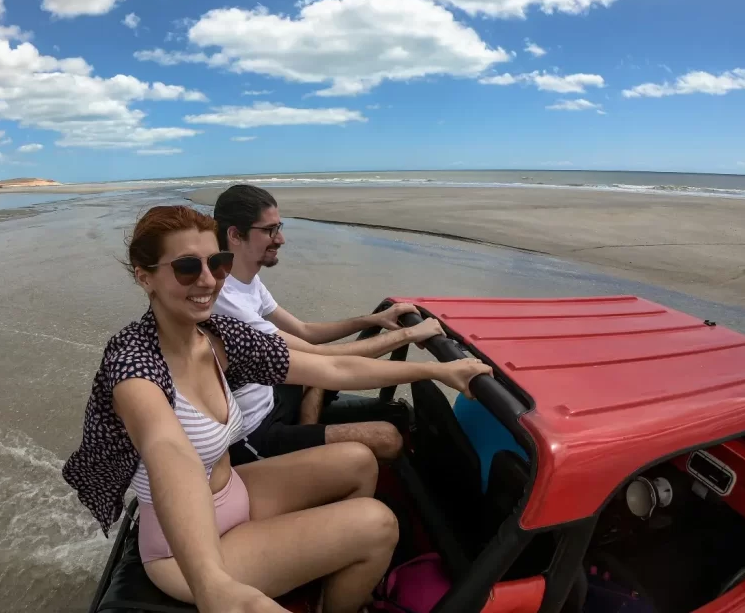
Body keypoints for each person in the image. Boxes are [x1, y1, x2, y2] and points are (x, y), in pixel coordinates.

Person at [62, 205, 492, 613]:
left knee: (360, 460)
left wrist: (437, 372)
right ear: (145, 277)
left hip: (234, 492)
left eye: (219, 263)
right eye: (187, 267)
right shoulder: (132, 362)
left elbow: (333, 367)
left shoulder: (215, 335)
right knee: (378, 523)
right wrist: (213, 585)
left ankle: (334, 568)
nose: (209, 280)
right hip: (186, 547)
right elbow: (167, 451)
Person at [213, 184, 437, 463]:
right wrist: (409, 335)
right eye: (270, 230)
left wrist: (373, 319)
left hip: (270, 395)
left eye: (279, 227)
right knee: (387, 437)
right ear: (235, 235)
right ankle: (313, 464)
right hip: (253, 431)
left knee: (317, 377)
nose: (280, 238)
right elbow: (317, 355)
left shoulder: (246, 281)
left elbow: (304, 332)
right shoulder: (226, 301)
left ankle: (310, 454)